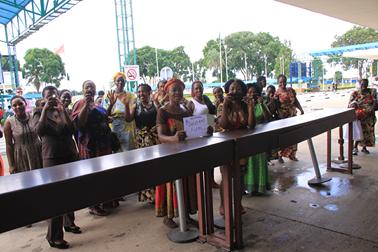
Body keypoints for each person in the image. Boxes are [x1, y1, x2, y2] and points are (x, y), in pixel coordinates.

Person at [36, 86, 81, 249]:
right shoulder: (38, 112)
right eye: (48, 96)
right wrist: (44, 110)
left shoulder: (64, 111)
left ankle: (69, 223)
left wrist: (62, 112)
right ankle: (53, 236)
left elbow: (72, 130)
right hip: (52, 157)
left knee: (70, 192)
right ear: (43, 98)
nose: (52, 98)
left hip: (69, 154)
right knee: (55, 197)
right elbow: (39, 131)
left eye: (54, 95)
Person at [156, 78, 197, 228]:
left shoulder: (186, 111)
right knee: (171, 186)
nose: (177, 93)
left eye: (179, 89)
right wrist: (173, 138)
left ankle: (185, 216)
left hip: (185, 153)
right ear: (167, 92)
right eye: (174, 90)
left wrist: (206, 129)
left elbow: (193, 130)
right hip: (169, 154)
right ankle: (169, 217)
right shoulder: (162, 111)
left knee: (186, 184)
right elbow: (160, 136)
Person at [72, 80, 114, 216]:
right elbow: (80, 122)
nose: (89, 89)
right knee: (92, 176)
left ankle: (104, 200)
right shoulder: (80, 103)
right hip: (91, 146)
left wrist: (109, 111)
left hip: (103, 144)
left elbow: (103, 117)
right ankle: (93, 205)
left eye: (92, 87)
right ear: (83, 90)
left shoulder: (97, 104)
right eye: (87, 87)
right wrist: (86, 103)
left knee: (103, 174)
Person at [218, 79, 256, 215]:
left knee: (240, 177)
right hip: (226, 146)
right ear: (227, 90)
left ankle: (238, 203)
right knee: (226, 177)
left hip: (241, 146)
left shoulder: (244, 105)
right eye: (232, 89)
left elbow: (251, 125)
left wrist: (251, 107)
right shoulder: (223, 105)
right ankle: (223, 205)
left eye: (238, 89)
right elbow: (224, 125)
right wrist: (225, 106)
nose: (235, 92)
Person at [123, 84, 159, 202]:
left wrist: (157, 101)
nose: (141, 94)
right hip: (142, 140)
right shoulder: (136, 106)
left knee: (156, 166)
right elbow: (128, 119)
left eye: (143, 91)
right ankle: (149, 196)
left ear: (149, 92)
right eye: (139, 92)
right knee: (146, 167)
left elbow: (161, 115)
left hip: (155, 140)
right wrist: (126, 106)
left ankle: (158, 194)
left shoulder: (154, 104)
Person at [4, 95, 42, 175]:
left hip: (38, 152)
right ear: (12, 107)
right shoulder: (9, 123)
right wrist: (11, 165)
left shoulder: (34, 117)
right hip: (21, 155)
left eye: (20, 104)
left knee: (42, 178)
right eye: (14, 105)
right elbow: (9, 145)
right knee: (26, 181)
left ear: (25, 104)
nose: (18, 107)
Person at [244, 83, 271, 195]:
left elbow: (268, 117)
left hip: (260, 136)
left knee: (260, 160)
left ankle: (260, 187)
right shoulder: (243, 105)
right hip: (247, 137)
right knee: (249, 162)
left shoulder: (260, 103)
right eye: (249, 92)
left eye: (254, 92)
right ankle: (249, 187)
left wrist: (262, 104)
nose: (251, 94)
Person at [274, 74, 304, 163]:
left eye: (284, 81)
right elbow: (276, 106)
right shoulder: (276, 93)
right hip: (283, 117)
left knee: (294, 135)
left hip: (293, 115)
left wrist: (301, 109)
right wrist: (280, 116)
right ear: (278, 83)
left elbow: (296, 101)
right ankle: (280, 155)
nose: (282, 83)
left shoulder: (291, 90)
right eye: (280, 82)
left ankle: (292, 155)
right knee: (283, 136)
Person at [103, 72, 136, 151]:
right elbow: (105, 114)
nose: (120, 82)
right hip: (113, 128)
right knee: (115, 151)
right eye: (118, 80)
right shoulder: (108, 95)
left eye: (122, 80)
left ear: (125, 82)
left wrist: (126, 105)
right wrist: (111, 104)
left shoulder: (131, 95)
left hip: (127, 128)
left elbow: (130, 117)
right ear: (114, 82)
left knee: (128, 152)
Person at [349, 79, 377, 154]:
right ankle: (354, 147)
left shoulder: (372, 92)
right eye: (362, 84)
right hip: (359, 116)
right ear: (360, 84)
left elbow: (375, 102)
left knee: (367, 133)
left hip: (369, 117)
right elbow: (350, 105)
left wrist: (371, 108)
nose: (364, 86)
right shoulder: (355, 93)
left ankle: (364, 147)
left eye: (365, 84)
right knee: (358, 132)